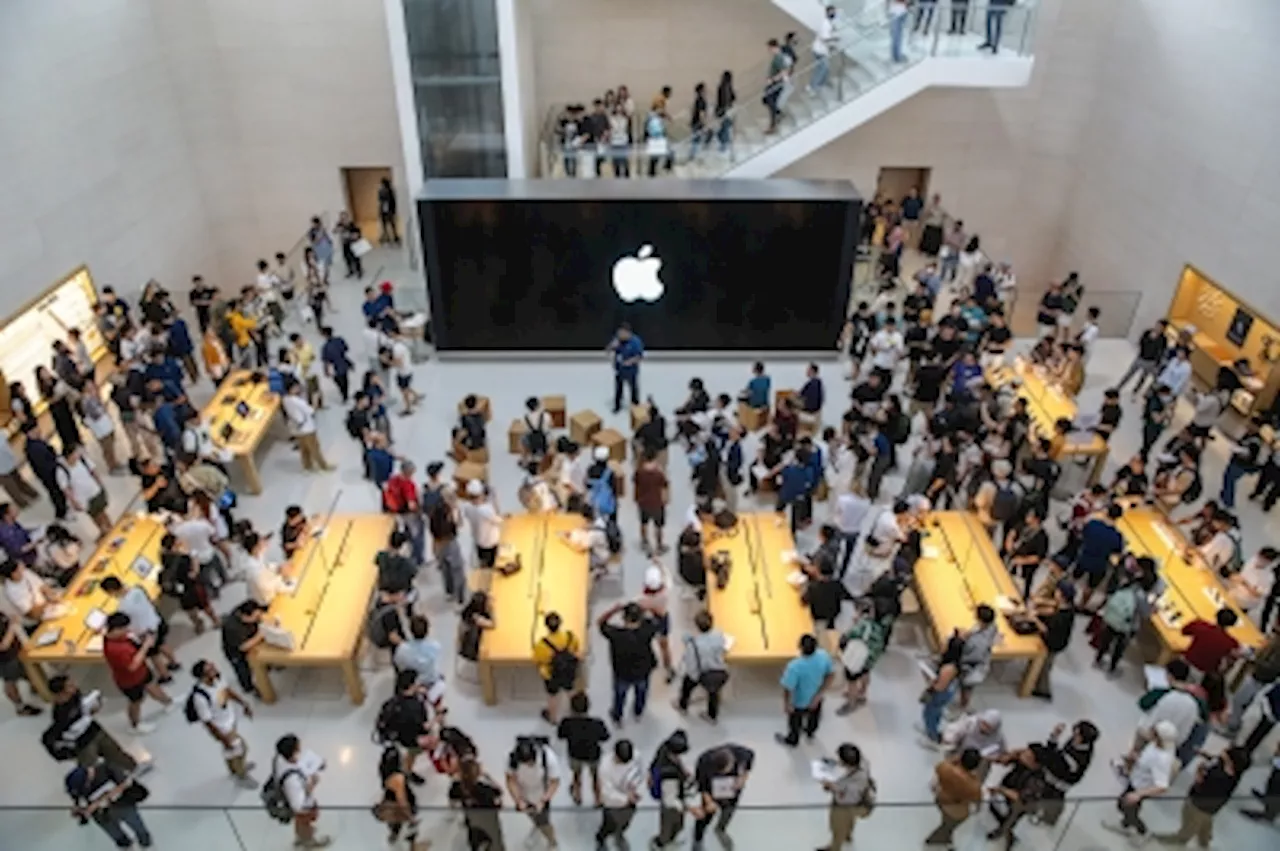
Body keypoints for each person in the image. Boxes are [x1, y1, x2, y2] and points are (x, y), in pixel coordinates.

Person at [1104, 720, 1178, 842]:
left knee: (1125, 807)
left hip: (1142, 788)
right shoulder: (1154, 745)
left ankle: (1143, 832)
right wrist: (1136, 758)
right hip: (1136, 780)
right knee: (1127, 807)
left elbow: (1162, 786)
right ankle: (1125, 825)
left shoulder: (1162, 759)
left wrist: (1138, 794)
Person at [188, 659, 257, 788]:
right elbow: (207, 722)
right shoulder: (200, 697)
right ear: (203, 676)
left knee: (231, 750)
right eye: (210, 670)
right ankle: (241, 774)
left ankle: (234, 769)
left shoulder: (218, 679)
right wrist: (222, 738)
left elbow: (227, 691)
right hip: (221, 728)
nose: (214, 670)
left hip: (230, 720)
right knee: (241, 748)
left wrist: (243, 703)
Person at [102, 612, 174, 734]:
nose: (127, 631)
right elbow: (132, 666)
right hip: (129, 681)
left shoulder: (116, 638)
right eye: (125, 629)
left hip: (142, 671)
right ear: (116, 629)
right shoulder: (116, 649)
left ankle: (168, 702)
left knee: (152, 686)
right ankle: (135, 725)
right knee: (136, 702)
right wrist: (146, 646)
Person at [100, 576, 179, 682]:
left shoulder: (123, 607)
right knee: (162, 644)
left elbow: (126, 624)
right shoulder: (137, 589)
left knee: (154, 655)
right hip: (155, 621)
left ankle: (165, 676)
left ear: (111, 591)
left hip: (145, 633)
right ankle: (174, 663)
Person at [65, 757, 154, 849]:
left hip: (123, 806)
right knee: (119, 838)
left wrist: (100, 801)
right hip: (103, 817)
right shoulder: (76, 786)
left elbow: (126, 783)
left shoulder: (107, 769)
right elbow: (77, 801)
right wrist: (79, 811)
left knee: (139, 828)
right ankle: (126, 846)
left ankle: (146, 845)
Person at [597, 601, 660, 724]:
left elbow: (600, 623)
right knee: (641, 692)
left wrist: (613, 610)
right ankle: (638, 712)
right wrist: (649, 606)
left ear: (624, 617)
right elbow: (660, 617)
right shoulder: (647, 630)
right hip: (642, 671)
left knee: (620, 696)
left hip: (622, 672)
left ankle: (617, 716)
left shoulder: (616, 634)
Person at [272, 734, 331, 848]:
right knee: (304, 822)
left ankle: (301, 836)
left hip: (292, 798)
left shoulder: (279, 760)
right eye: (298, 747)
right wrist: (312, 784)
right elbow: (299, 806)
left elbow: (296, 767)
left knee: (300, 822)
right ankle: (309, 842)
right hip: (303, 807)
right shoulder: (292, 780)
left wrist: (316, 765)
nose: (300, 749)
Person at [692, 743, 754, 851]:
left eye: (725, 771)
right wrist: (709, 801)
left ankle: (720, 829)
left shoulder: (741, 753)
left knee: (728, 811)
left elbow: (751, 758)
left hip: (732, 790)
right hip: (711, 792)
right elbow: (701, 785)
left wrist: (743, 777)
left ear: (732, 761)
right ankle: (698, 839)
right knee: (705, 816)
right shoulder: (703, 761)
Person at [775, 634, 834, 747]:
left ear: (800, 647)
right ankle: (810, 732)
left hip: (799, 702)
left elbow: (788, 688)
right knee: (814, 718)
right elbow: (831, 675)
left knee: (795, 723)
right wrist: (819, 695)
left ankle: (793, 740)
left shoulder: (795, 666)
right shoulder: (824, 656)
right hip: (816, 698)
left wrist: (787, 704)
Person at [506, 735, 561, 850]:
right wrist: (518, 799)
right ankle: (539, 829)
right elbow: (511, 780)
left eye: (531, 762)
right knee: (535, 817)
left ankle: (552, 842)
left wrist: (544, 800)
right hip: (524, 793)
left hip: (541, 793)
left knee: (544, 820)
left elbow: (554, 782)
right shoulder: (512, 758)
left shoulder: (548, 757)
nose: (529, 765)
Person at [557, 691, 611, 807]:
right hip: (593, 754)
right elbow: (605, 737)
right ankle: (598, 799)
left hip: (575, 753)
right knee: (595, 776)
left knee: (576, 774)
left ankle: (578, 795)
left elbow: (560, 736)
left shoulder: (567, 723)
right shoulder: (597, 723)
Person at [676, 609, 729, 723]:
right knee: (713, 693)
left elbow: (691, 666)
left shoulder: (693, 645)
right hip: (721, 671)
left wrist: (693, 677)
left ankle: (682, 706)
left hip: (705, 674)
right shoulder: (719, 635)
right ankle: (712, 715)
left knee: (687, 686)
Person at [924, 747, 982, 847]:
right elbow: (977, 800)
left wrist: (952, 760)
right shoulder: (974, 785)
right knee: (948, 827)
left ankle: (945, 837)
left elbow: (939, 766)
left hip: (941, 799)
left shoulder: (945, 768)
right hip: (956, 812)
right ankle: (935, 840)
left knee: (946, 823)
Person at [595, 738, 644, 850]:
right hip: (613, 804)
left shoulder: (636, 756)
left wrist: (637, 791)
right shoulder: (605, 766)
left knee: (626, 822)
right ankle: (601, 839)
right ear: (615, 756)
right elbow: (606, 792)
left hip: (630, 799)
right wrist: (626, 799)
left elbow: (639, 773)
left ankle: (619, 836)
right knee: (609, 824)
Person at [56, 444, 111, 538]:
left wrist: (100, 484)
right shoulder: (62, 471)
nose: (77, 454)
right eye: (75, 453)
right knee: (94, 515)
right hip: (83, 497)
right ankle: (102, 530)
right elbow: (65, 489)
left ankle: (109, 527)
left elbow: (93, 471)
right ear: (69, 455)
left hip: (94, 490)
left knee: (102, 511)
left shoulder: (82, 460)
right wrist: (74, 502)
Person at [534, 611, 579, 724]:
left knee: (552, 695)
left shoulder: (541, 644)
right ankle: (576, 711)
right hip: (569, 670)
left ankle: (553, 718)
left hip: (551, 674)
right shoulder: (570, 636)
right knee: (570, 690)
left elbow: (537, 660)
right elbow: (576, 648)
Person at [282, 379, 334, 471]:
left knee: (304, 448)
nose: (298, 388)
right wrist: (315, 400)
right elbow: (311, 410)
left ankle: (307, 465)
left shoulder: (285, 399)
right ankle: (323, 466)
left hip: (296, 428)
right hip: (307, 428)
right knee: (314, 447)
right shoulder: (297, 401)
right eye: (296, 387)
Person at [221, 600, 266, 696]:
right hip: (236, 652)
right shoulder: (232, 627)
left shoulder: (244, 610)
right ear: (245, 617)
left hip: (249, 637)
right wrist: (260, 636)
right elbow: (243, 647)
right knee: (243, 671)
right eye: (256, 617)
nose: (258, 619)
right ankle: (249, 688)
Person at [0, 610, 40, 715]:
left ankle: (36, 688)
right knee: (10, 682)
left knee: (28, 672)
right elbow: (3, 646)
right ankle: (20, 707)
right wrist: (12, 626)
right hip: (5, 659)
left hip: (16, 650)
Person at [1180, 609, 1240, 676]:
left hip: (1186, 662)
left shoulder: (1201, 626)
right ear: (1232, 624)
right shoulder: (1232, 643)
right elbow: (1232, 660)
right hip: (1202, 673)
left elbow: (1184, 631)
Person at [1120, 319, 1170, 395]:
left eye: (1160, 327)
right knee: (1130, 373)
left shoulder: (1163, 339)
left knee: (1143, 378)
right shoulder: (1147, 332)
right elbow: (1141, 342)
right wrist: (1150, 339)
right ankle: (1119, 387)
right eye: (1157, 325)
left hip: (1150, 361)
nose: (1157, 328)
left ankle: (1135, 391)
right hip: (1141, 357)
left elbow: (1160, 351)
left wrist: (1156, 363)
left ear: (1163, 329)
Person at [634, 451, 669, 556]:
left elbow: (636, 485)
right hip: (656, 502)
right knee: (658, 526)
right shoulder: (658, 473)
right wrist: (665, 500)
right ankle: (659, 546)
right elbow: (664, 486)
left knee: (643, 522)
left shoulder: (639, 472)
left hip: (643, 502)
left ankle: (644, 542)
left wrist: (636, 498)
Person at [463, 479, 502, 568]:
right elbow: (499, 520)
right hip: (490, 544)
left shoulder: (467, 507)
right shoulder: (486, 510)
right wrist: (495, 499)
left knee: (483, 565)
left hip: (478, 542)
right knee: (492, 567)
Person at [608, 323, 644, 414]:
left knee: (633, 388)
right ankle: (617, 406)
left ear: (628, 333)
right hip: (619, 369)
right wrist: (612, 347)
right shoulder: (617, 340)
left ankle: (635, 406)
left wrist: (630, 362)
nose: (620, 336)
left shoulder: (636, 341)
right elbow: (608, 351)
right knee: (618, 388)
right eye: (618, 334)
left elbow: (639, 356)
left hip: (631, 370)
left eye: (621, 334)